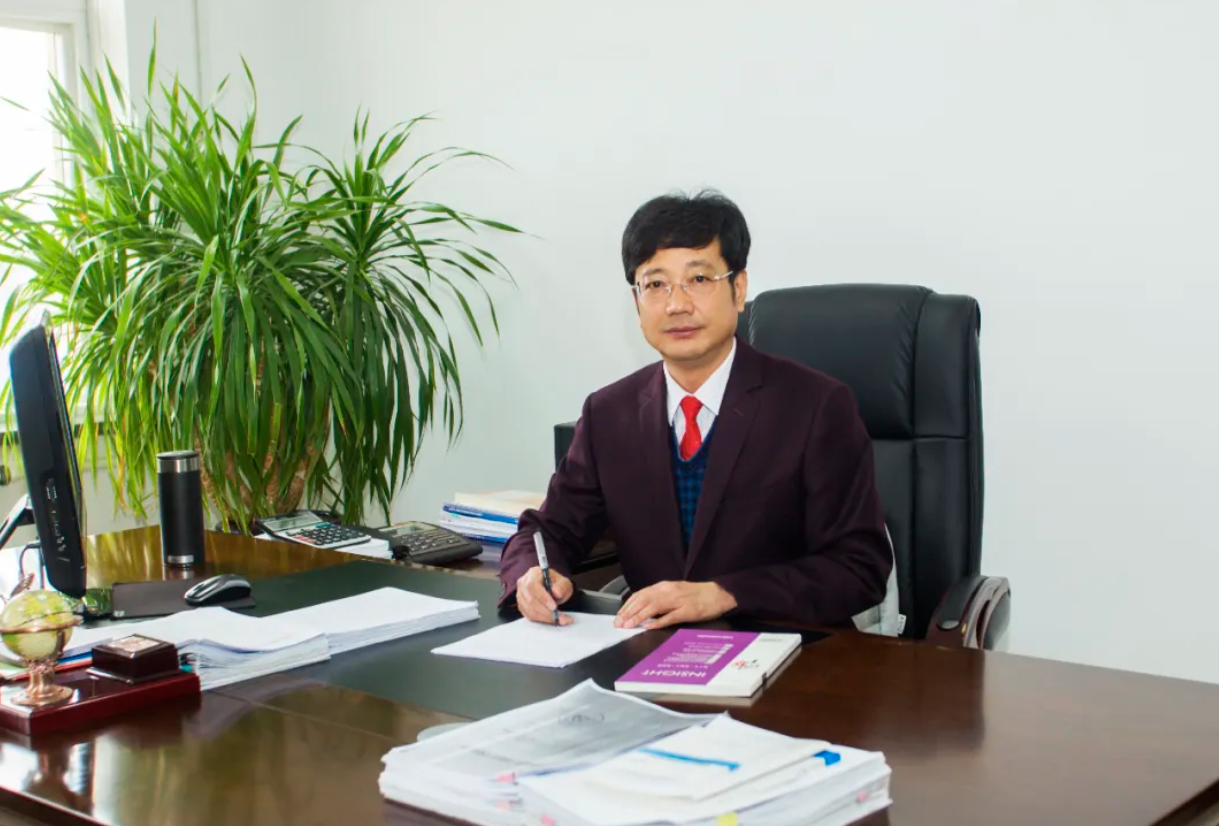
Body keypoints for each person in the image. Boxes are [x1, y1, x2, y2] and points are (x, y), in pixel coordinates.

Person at [498, 190, 891, 630]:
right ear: (636, 302)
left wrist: (725, 594)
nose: (677, 304)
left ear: (738, 289)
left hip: (789, 651)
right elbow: (548, 531)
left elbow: (859, 567)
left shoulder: (816, 407)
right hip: (652, 650)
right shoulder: (609, 414)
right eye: (656, 284)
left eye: (699, 279)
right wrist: (532, 575)